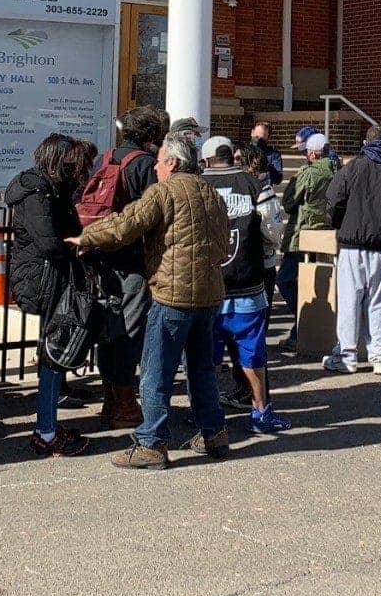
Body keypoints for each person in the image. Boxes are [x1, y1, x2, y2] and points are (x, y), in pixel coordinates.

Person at [75, 135, 230, 470]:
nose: (156, 167)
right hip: (208, 296)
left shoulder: (164, 192)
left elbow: (126, 224)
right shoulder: (212, 195)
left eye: (159, 161)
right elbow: (223, 244)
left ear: (172, 162)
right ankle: (214, 432)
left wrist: (87, 237)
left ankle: (152, 443)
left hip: (172, 296)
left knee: (155, 371)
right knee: (202, 369)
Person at [5, 134, 96, 458]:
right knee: (53, 354)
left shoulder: (48, 188)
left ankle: (48, 425)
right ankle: (45, 430)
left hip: (48, 277)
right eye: (70, 161)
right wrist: (76, 245)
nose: (75, 167)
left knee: (53, 354)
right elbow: (49, 241)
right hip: (45, 280)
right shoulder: (37, 192)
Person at [81, 105, 168, 430]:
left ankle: (110, 400)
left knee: (108, 328)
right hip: (132, 260)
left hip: (99, 257)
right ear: (150, 135)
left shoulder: (101, 160)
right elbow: (152, 215)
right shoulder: (145, 166)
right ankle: (125, 402)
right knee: (129, 332)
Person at [200, 138, 289, 434]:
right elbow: (274, 230)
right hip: (248, 284)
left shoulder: (195, 185)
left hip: (205, 289)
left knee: (207, 356)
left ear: (207, 160)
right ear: (231, 156)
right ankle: (260, 412)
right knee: (252, 353)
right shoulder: (254, 184)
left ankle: (205, 414)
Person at [322, 124, 381, 376]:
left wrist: (340, 222)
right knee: (379, 303)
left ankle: (347, 356)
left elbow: (333, 199)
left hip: (352, 246)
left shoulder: (352, 167)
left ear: (365, 144)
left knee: (349, 302)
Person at [278, 132, 336, 354]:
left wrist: (294, 182)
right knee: (318, 283)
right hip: (326, 236)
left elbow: (289, 203)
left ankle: (302, 325)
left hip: (302, 234)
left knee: (285, 280)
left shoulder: (309, 173)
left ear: (312, 153)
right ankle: (301, 330)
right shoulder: (337, 171)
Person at [250, 122, 284, 187]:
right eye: (257, 136)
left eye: (263, 136)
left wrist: (266, 166)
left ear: (268, 137)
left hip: (263, 191)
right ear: (252, 132)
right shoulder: (241, 151)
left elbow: (278, 179)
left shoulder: (274, 154)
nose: (258, 139)